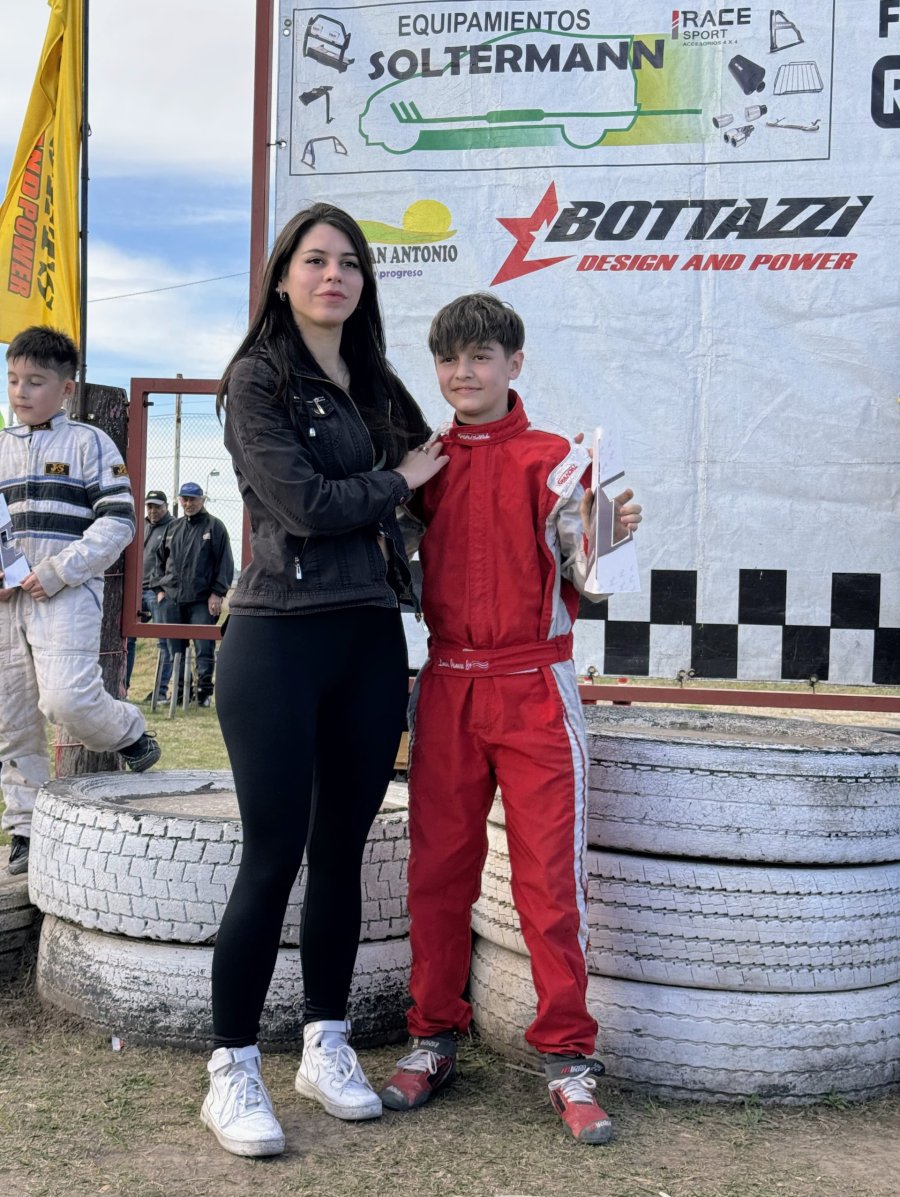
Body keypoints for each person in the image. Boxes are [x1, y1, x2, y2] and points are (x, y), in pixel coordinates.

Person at [201, 202, 447, 1157]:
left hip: (370, 636)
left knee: (343, 850)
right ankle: (231, 1067)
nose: (334, 275)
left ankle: (326, 1042)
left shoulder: (379, 384)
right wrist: (395, 484)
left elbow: (444, 479)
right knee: (272, 854)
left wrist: (568, 522)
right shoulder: (256, 379)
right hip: (277, 637)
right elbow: (302, 506)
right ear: (283, 276)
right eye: (316, 260)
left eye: (350, 262)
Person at [378, 293, 642, 1145]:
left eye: (482, 357)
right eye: (450, 360)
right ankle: (431, 1037)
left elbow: (587, 562)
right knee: (437, 873)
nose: (464, 373)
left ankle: (569, 1057)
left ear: (515, 363)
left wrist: (603, 534)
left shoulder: (558, 458)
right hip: (448, 681)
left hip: (535, 682)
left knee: (546, 882)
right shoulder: (422, 462)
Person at [0, 326, 161, 877]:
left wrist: (59, 572)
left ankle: (129, 733)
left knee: (65, 701)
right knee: (11, 717)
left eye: (36, 382)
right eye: (13, 379)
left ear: (67, 388)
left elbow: (119, 520)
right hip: (5, 603)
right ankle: (25, 827)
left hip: (64, 595)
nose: (21, 392)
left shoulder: (90, 443)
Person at [155, 481, 233, 707]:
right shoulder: (173, 528)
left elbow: (225, 563)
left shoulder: (215, 527)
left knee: (204, 648)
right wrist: (160, 591)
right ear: (179, 500)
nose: (188, 504)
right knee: (174, 648)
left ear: (202, 500)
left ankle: (204, 693)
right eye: (184, 499)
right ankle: (179, 694)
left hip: (202, 599)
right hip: (171, 599)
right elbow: (158, 561)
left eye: (192, 499)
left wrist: (217, 594)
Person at [131, 490, 174, 700]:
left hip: (157, 592)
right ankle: (123, 688)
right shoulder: (141, 525)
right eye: (149, 506)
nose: (153, 510)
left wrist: (162, 589)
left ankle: (160, 692)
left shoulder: (174, 527)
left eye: (157, 506)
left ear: (165, 506)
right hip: (135, 590)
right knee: (127, 639)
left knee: (164, 642)